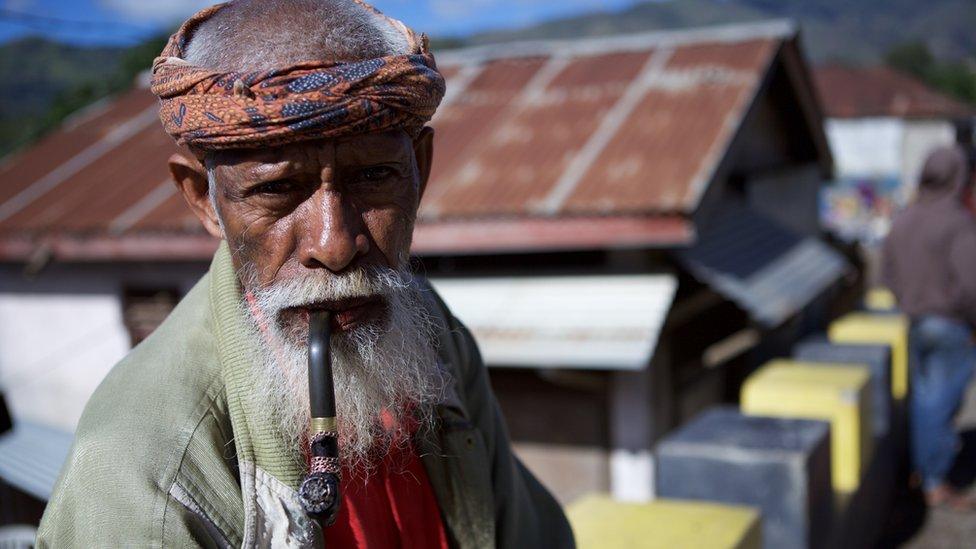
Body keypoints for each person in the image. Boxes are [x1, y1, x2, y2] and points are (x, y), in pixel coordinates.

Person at [36, 1, 574, 546]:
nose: (335, 245)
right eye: (276, 190)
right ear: (204, 200)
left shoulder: (430, 329)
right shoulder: (146, 467)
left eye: (374, 175)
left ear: (421, 168)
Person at [883, 144, 976, 509]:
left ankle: (922, 470)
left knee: (924, 400)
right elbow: (972, 284)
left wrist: (911, 301)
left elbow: (886, 276)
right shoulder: (957, 222)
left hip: (914, 322)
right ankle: (934, 479)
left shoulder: (903, 219)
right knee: (941, 404)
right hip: (950, 325)